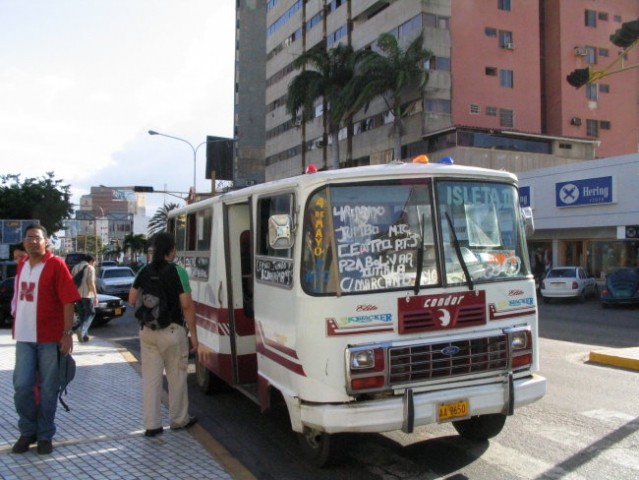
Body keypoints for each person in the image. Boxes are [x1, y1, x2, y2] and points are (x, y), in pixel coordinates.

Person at [11, 224, 80, 455]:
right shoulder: (22, 265)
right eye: (29, 238)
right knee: (22, 386)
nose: (33, 242)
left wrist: (67, 334)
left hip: (50, 337)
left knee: (49, 388)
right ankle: (28, 429)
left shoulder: (56, 265)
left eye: (37, 238)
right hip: (23, 336)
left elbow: (68, 301)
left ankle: (44, 434)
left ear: (46, 242)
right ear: (24, 242)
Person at [129, 232, 200, 437]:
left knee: (151, 380)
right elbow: (186, 305)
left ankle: (152, 425)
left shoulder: (144, 269)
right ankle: (178, 420)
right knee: (176, 377)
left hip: (147, 332)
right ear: (172, 250)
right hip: (172, 330)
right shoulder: (178, 271)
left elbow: (132, 299)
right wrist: (193, 334)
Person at [71, 254, 98, 342]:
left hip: (76, 294)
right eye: (94, 262)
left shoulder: (75, 267)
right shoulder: (90, 268)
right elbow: (91, 282)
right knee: (91, 313)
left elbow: (72, 280)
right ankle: (81, 330)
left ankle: (84, 336)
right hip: (87, 295)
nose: (94, 264)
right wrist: (95, 295)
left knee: (82, 314)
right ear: (91, 261)